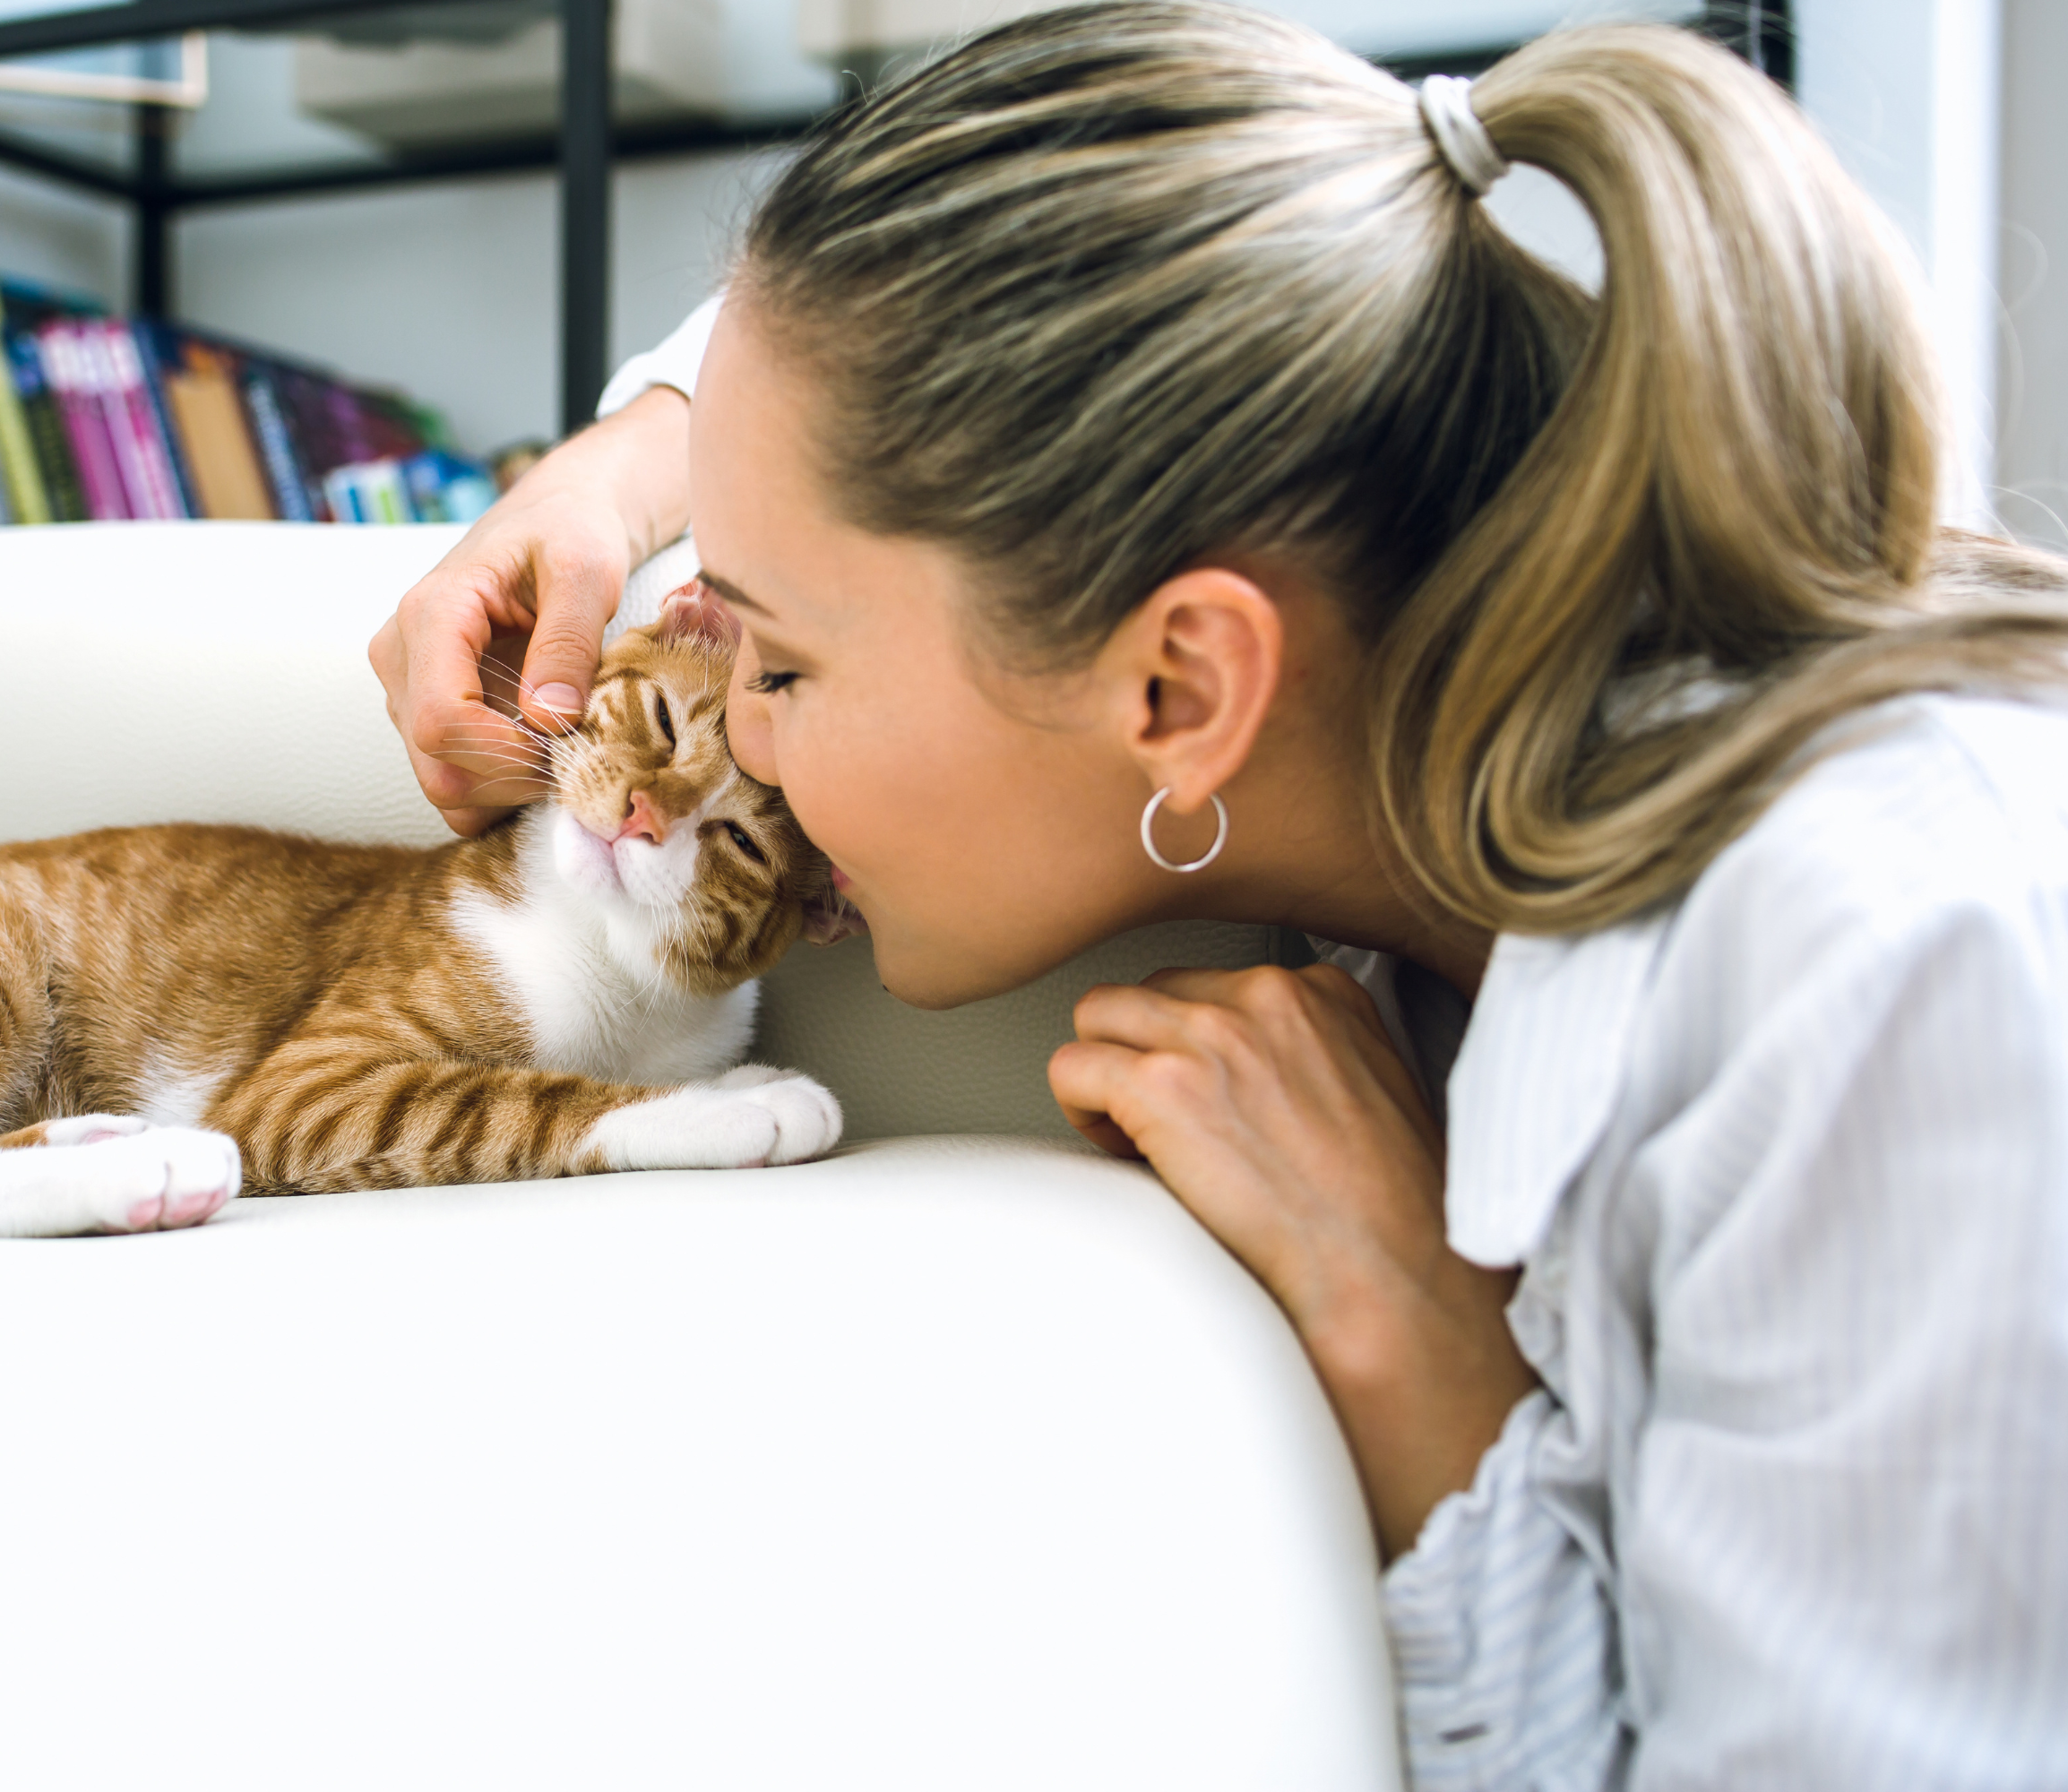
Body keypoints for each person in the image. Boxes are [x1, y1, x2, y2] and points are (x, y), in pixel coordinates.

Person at [370, 4, 2068, 1784]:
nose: (757, 761)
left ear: (1179, 693)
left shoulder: (1898, 967)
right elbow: (860, 355)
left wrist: (1413, 1338)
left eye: (780, 668)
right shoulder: (1421, 713)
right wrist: (616, 466)